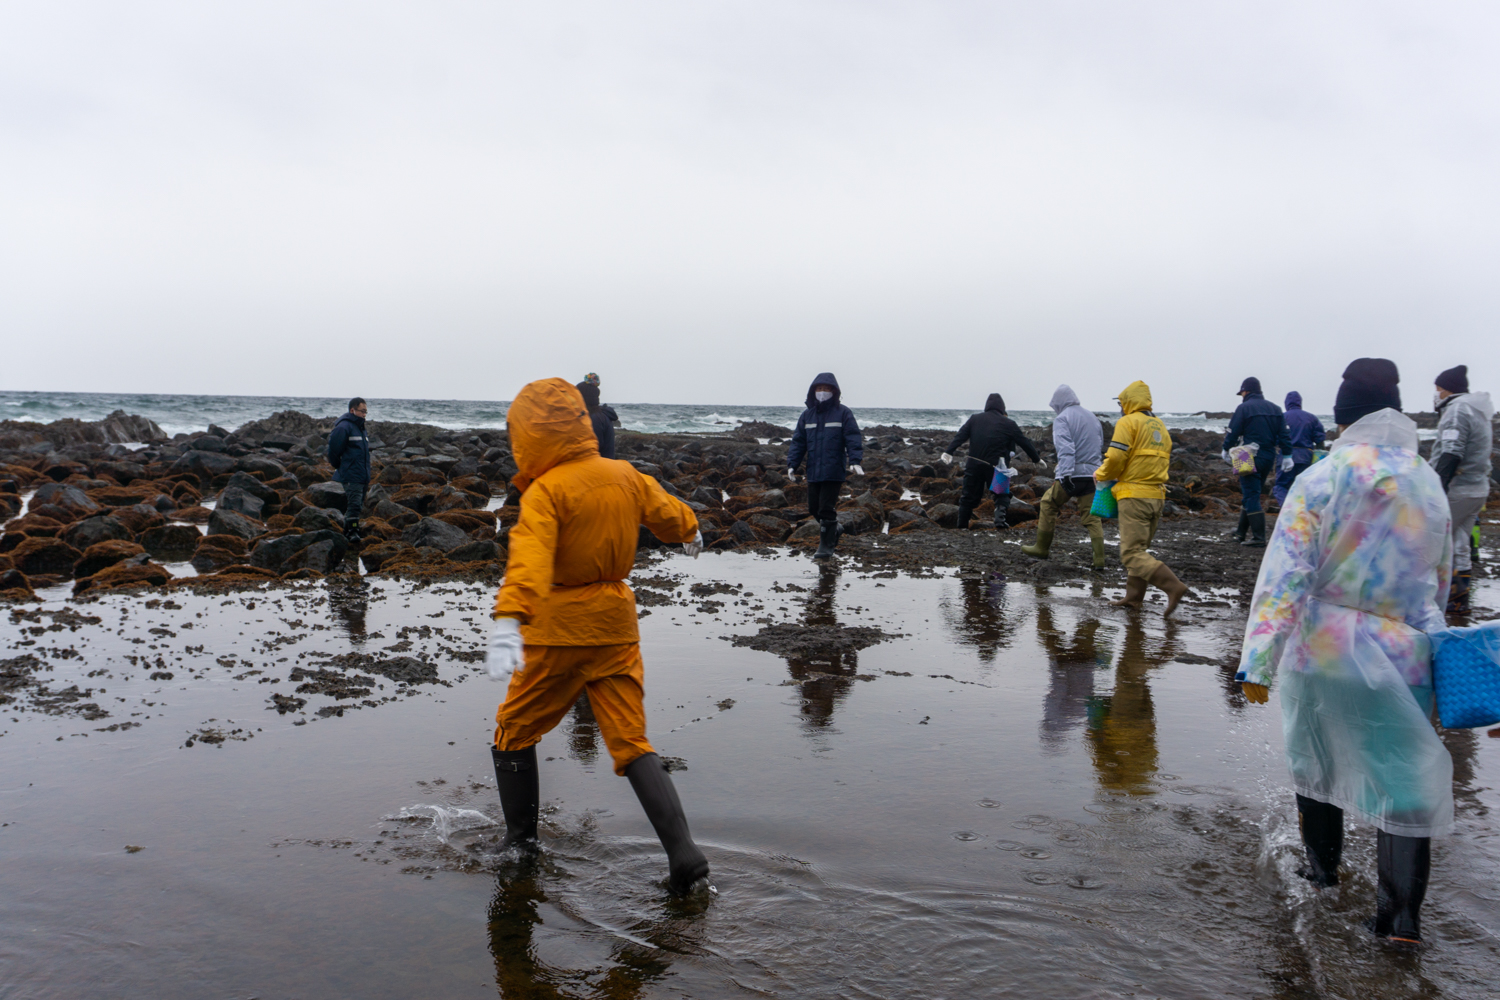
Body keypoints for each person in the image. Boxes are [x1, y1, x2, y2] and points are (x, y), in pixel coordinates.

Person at [1237, 358, 1453, 945]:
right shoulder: (1426, 483)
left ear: (1343, 414)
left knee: (1315, 761)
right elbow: (1440, 579)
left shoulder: (1324, 478)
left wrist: (1258, 660)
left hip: (1324, 650)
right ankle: (1402, 923)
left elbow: (1286, 575)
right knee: (1404, 784)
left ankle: (1321, 876)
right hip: (1405, 650)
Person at [483, 378, 709, 893]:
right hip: (615, 626)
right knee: (630, 742)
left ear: (529, 435)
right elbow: (670, 515)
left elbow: (531, 559)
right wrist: (691, 529)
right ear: (581, 422)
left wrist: (508, 619)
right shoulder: (624, 474)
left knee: (513, 731)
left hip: (559, 633)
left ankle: (520, 845)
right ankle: (684, 855)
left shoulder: (546, 491)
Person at [1093, 381, 1189, 615]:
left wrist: (1101, 474)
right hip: (1157, 495)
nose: (1121, 407)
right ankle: (1133, 597)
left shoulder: (1128, 422)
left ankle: (1173, 587)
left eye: (1121, 403)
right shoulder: (1160, 426)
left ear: (1127, 402)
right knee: (1140, 548)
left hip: (1134, 495)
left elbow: (1115, 457)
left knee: (1131, 553)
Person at [1429, 365, 1493, 615]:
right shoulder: (1478, 411)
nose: (1436, 395)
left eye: (1438, 390)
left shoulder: (1457, 411)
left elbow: (1451, 451)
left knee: (1433, 540)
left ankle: (1435, 594)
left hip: (1459, 489)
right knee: (1460, 542)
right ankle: (1458, 600)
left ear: (1449, 390)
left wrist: (1437, 487)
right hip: (1478, 488)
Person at [1021, 385, 1105, 569]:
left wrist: (1065, 474)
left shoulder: (1062, 419)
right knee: (1092, 517)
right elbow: (1099, 446)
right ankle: (1099, 559)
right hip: (1092, 475)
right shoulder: (1092, 417)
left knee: (1048, 503)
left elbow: (1066, 449)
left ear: (1059, 402)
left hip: (1072, 474)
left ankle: (1041, 548)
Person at [787, 373, 864, 560]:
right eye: (819, 389)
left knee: (826, 508)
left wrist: (855, 461)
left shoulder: (843, 413)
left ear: (834, 391)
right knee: (814, 508)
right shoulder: (807, 415)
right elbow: (798, 442)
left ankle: (826, 545)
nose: (822, 392)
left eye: (827, 389)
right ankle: (834, 529)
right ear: (813, 391)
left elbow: (852, 437)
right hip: (813, 470)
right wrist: (792, 464)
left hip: (833, 470)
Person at [940, 393, 1040, 530]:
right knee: (1001, 493)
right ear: (1002, 408)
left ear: (987, 406)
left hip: (973, 464)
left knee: (968, 496)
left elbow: (960, 435)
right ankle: (999, 520)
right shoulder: (1008, 423)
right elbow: (1024, 442)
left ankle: (962, 526)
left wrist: (948, 451)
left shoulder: (974, 419)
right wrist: (1036, 459)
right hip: (996, 466)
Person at [1221, 377, 1292, 547]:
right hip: (1268, 455)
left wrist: (1226, 449)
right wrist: (1287, 455)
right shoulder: (1275, 409)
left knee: (1251, 494)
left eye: (1242, 392)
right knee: (1253, 493)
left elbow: (1233, 432)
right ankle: (1240, 533)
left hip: (1245, 455)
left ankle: (1259, 538)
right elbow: (1284, 435)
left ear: (1246, 391)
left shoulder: (1243, 408)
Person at [326, 397, 371, 544]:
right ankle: (352, 532)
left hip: (362, 473)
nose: (365, 414)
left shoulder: (360, 427)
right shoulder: (344, 427)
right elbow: (333, 450)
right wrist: (341, 466)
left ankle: (348, 530)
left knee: (358, 505)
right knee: (354, 505)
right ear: (353, 410)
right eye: (362, 411)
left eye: (366, 411)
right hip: (351, 474)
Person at [1272, 391, 1326, 505]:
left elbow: (1273, 439)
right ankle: (1302, 513)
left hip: (1286, 455)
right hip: (1306, 457)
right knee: (1304, 487)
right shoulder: (1312, 418)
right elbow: (1320, 441)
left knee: (1281, 486)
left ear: (1286, 403)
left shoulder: (1281, 417)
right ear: (1300, 403)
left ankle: (1287, 509)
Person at [576, 380, 616, 459]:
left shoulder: (595, 419)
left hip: (601, 466)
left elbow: (594, 448)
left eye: (576, 396)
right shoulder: (600, 415)